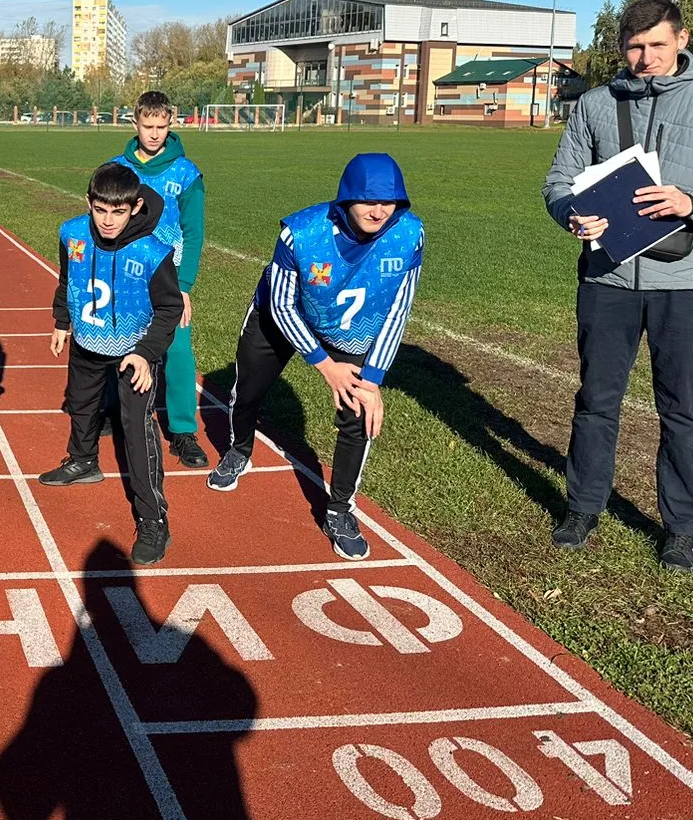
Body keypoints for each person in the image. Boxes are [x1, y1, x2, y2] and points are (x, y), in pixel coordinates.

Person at [543, 0, 693, 572]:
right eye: (634, 47)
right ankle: (583, 506)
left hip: (687, 283)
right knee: (596, 400)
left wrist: (691, 203)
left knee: (684, 409)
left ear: (682, 39)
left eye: (657, 46)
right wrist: (571, 213)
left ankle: (682, 527)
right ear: (621, 47)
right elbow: (559, 182)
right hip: (607, 277)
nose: (644, 59)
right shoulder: (594, 104)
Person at [207, 154, 423, 562]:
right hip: (283, 315)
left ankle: (340, 510)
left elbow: (398, 310)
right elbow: (283, 304)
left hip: (352, 327)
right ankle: (238, 449)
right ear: (346, 200)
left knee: (359, 413)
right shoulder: (301, 233)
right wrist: (325, 365)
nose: (378, 211)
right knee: (248, 389)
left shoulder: (410, 235)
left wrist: (372, 381)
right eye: (367, 201)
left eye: (389, 202)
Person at [36, 163, 182, 564]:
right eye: (101, 210)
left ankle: (154, 519)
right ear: (89, 203)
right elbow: (67, 280)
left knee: (136, 431)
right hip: (86, 343)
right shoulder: (72, 234)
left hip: (133, 354)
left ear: (134, 207)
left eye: (118, 212)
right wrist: (62, 322)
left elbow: (169, 309)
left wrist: (146, 352)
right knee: (80, 406)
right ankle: (83, 460)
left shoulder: (153, 252)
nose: (108, 220)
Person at [110, 90, 212, 468]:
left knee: (178, 352)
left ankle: (183, 431)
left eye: (161, 126)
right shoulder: (117, 167)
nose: (154, 134)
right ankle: (111, 411)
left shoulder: (187, 174)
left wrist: (184, 287)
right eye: (147, 126)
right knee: (115, 344)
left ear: (172, 124)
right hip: (124, 274)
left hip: (167, 278)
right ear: (134, 123)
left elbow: (194, 232)